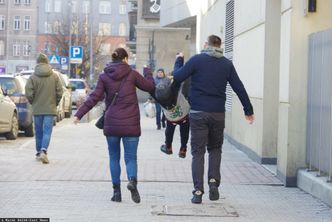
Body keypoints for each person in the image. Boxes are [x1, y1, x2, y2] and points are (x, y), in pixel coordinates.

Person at [173, 35, 255, 204]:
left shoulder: (197, 60)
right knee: (215, 149)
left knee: (198, 152)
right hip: (218, 113)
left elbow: (178, 76)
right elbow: (239, 87)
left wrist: (179, 60)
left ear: (207, 44)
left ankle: (197, 191)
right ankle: (213, 183)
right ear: (220, 45)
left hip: (197, 114)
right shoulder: (226, 64)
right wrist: (248, 110)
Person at [73, 48, 155, 204]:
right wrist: (147, 71)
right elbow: (150, 87)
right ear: (125, 59)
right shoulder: (132, 74)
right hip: (130, 124)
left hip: (112, 124)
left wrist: (79, 114)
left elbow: (94, 97)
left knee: (114, 157)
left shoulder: (104, 76)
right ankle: (132, 181)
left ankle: (116, 192)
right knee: (130, 158)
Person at [25, 53, 63, 164]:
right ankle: (43, 151)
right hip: (50, 109)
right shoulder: (55, 76)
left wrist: (33, 102)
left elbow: (28, 92)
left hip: (37, 109)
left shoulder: (32, 77)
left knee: (38, 131)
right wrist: (54, 103)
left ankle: (38, 152)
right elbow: (60, 92)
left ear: (37, 62)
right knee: (47, 131)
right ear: (47, 62)